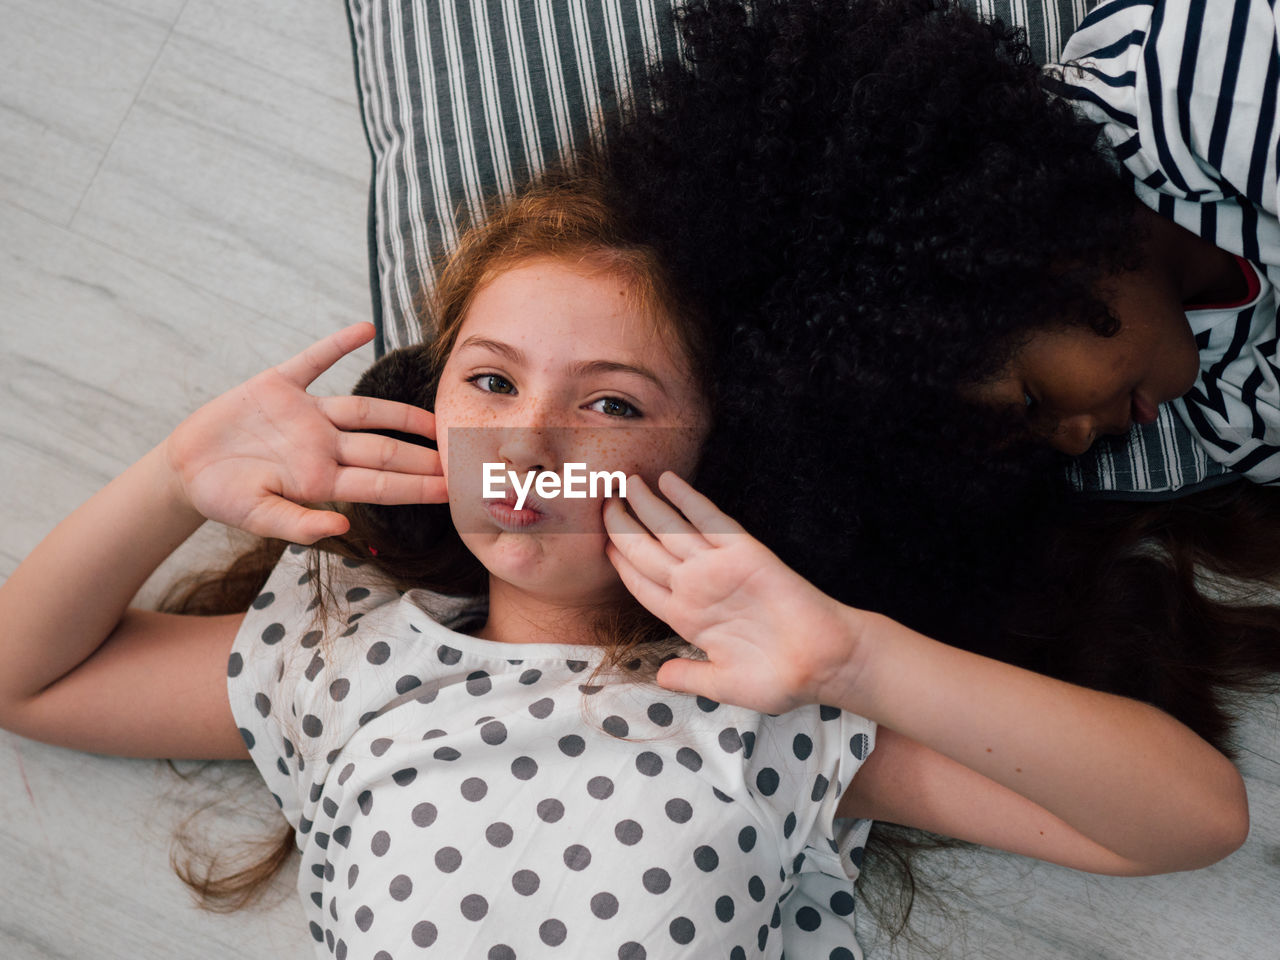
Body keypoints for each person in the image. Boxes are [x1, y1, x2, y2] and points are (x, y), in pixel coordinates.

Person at [0, 170, 1248, 959]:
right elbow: (27, 683)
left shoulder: (773, 705)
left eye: (609, 405)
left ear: (713, 456)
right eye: (487, 382)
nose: (525, 438)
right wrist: (173, 477)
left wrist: (858, 658)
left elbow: (1186, 823)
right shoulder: (339, 656)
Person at [593, 0, 1280, 750]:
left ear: (1014, 247)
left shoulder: (1196, 79)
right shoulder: (1239, 414)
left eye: (1032, 399)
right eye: (1042, 440)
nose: (1079, 442)